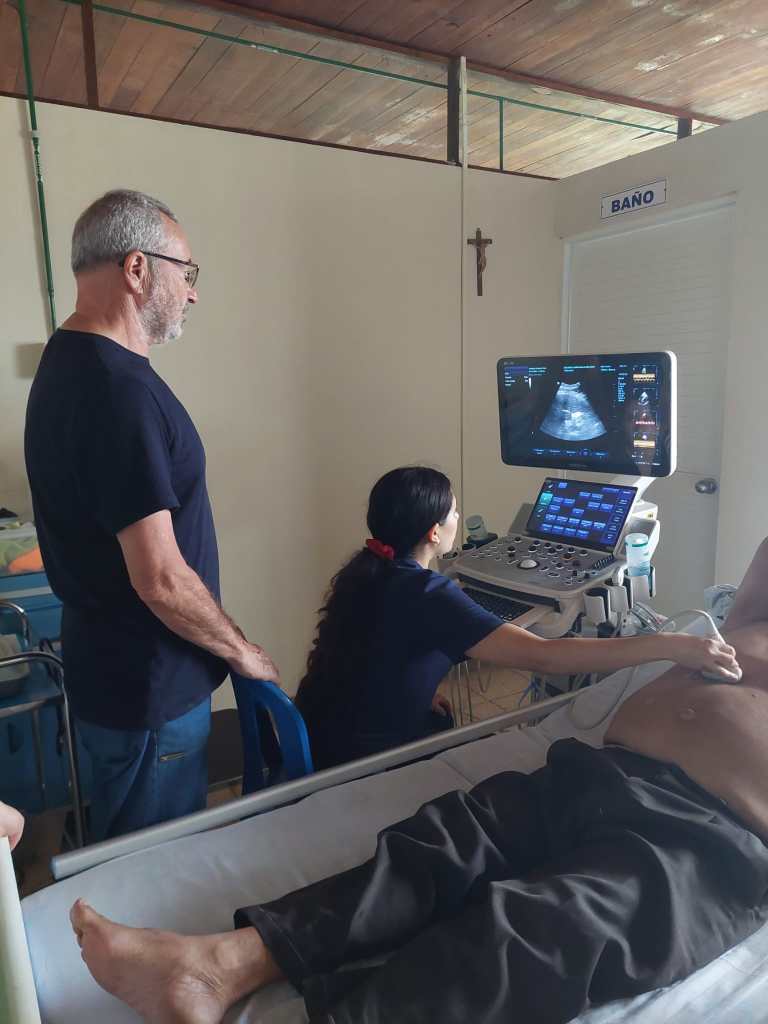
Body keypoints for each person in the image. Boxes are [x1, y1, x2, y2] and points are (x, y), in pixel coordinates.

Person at [67, 537, 768, 1024]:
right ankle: (218, 965)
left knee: (542, 929)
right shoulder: (752, 612)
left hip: (712, 834)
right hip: (607, 770)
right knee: (442, 842)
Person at [24, 190, 279, 843]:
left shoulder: (66, 360)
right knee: (156, 869)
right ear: (137, 269)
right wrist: (243, 652)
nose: (192, 292)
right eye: (185, 272)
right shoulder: (120, 393)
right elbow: (160, 579)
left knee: (126, 848)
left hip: (110, 674)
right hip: (150, 693)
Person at [295, 465, 740, 768]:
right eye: (453, 511)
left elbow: (372, 651)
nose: (457, 516)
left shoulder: (370, 571)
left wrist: (419, 690)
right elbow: (545, 657)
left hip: (324, 734)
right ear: (434, 532)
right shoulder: (428, 593)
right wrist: (672, 645)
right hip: (365, 758)